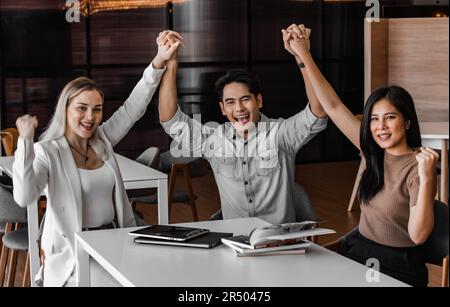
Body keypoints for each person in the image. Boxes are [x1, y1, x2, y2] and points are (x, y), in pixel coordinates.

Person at [12, 30, 182, 287]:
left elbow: (133, 107)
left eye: (97, 109)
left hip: (114, 244)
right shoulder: (49, 151)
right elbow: (25, 197)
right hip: (74, 255)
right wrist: (25, 143)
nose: (90, 117)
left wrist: (158, 60)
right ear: (65, 108)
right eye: (81, 108)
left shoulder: (102, 139)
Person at [284, 24, 439, 286]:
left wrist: (426, 178)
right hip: (358, 250)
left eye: (390, 118)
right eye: (374, 119)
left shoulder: (418, 168)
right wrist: (303, 57)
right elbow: (332, 106)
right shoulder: (371, 151)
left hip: (398, 266)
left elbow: (418, 235)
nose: (380, 127)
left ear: (408, 122)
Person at [158, 34, 328, 225]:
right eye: (230, 102)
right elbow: (170, 119)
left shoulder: (280, 134)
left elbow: (318, 111)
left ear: (259, 101)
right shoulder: (214, 139)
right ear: (223, 109)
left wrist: (302, 56)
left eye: (245, 99)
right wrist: (171, 64)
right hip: (235, 244)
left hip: (280, 245)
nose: (238, 109)